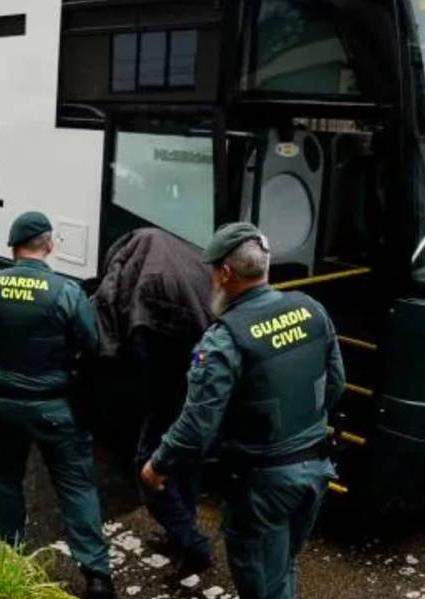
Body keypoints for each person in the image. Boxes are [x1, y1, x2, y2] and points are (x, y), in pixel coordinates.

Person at [141, 222, 346, 599]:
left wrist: (158, 464)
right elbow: (335, 385)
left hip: (262, 486)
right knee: (283, 564)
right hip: (315, 470)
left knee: (262, 584)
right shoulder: (311, 309)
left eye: (211, 272)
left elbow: (197, 426)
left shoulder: (224, 340)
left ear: (224, 273)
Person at [0, 211, 114, 599]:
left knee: (5, 481)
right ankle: (97, 576)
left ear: (13, 248)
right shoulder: (66, 292)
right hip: (55, 407)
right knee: (76, 486)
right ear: (50, 245)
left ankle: (9, 560)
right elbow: (91, 344)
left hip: (3, 406)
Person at [91, 228, 214, 575]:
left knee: (148, 467)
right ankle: (179, 536)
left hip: (169, 387)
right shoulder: (189, 262)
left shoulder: (141, 280)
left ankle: (193, 544)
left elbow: (117, 325)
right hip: (200, 385)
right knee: (188, 463)